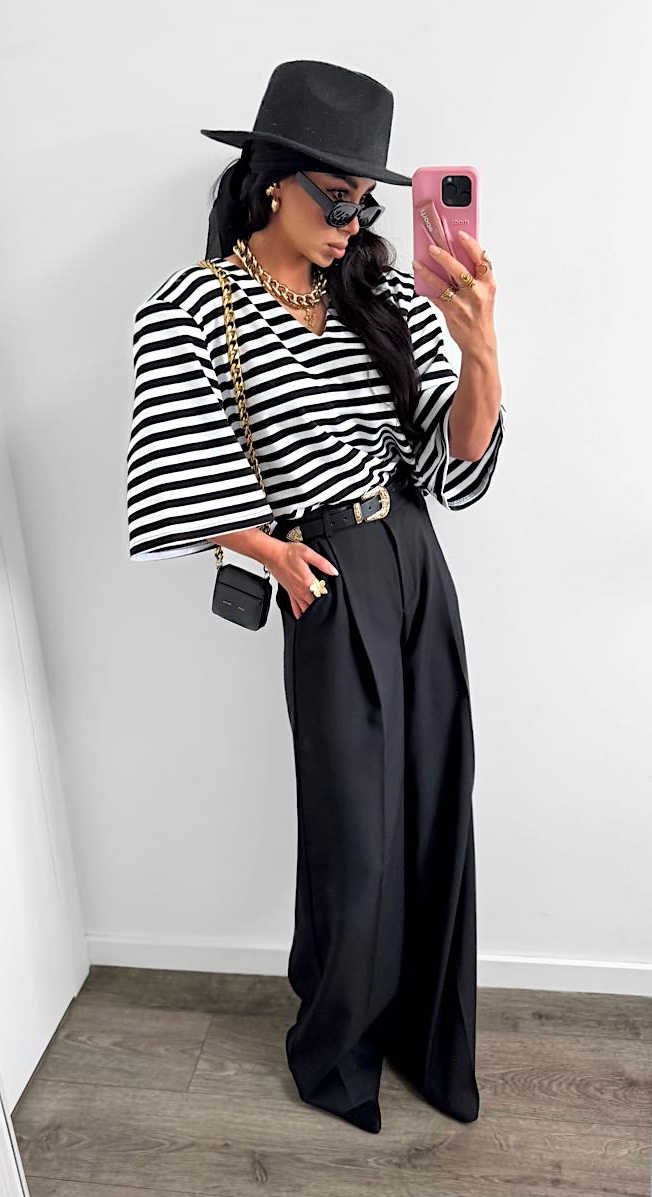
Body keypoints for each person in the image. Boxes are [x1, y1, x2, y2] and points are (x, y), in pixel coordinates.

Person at [125, 60, 505, 1135]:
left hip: (417, 562)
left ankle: (429, 1040)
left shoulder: (389, 299)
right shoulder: (196, 307)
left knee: (436, 805)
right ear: (271, 182)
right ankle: (336, 1049)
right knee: (356, 831)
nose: (352, 224)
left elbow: (456, 468)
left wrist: (481, 347)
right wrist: (269, 548)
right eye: (336, 200)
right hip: (329, 577)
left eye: (365, 205)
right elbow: (174, 471)